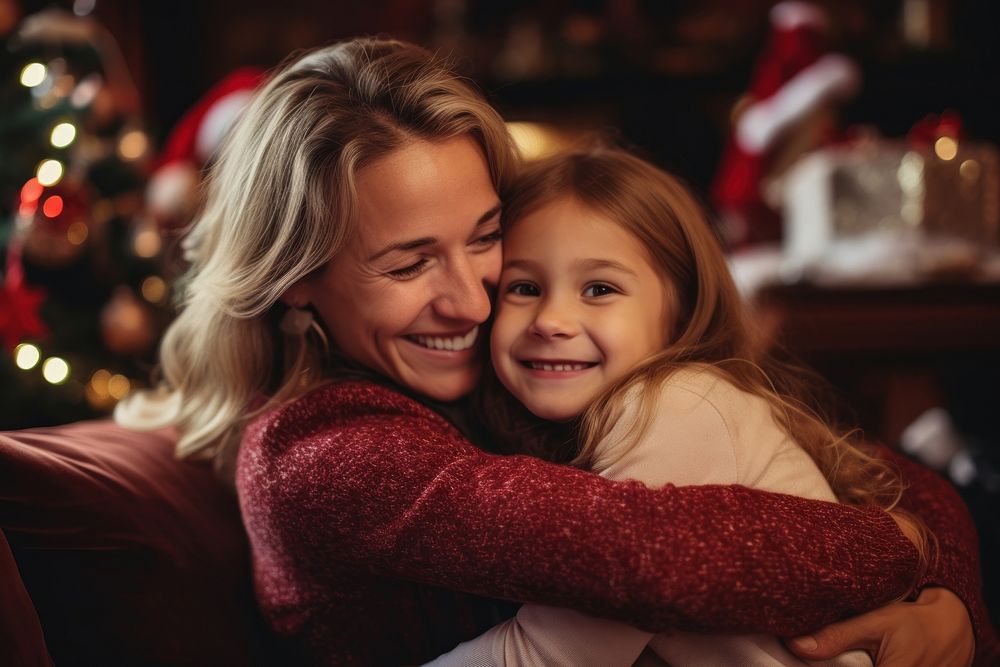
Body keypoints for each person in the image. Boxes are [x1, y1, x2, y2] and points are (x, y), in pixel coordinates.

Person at [116, 38, 989, 666]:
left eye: (486, 238)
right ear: (295, 278)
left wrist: (951, 599)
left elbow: (886, 468)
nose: (472, 296)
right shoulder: (326, 449)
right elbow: (647, 556)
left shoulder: (487, 385)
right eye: (410, 261)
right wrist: (901, 546)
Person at [426, 145, 930, 666]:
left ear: (680, 310)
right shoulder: (552, 427)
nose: (551, 320)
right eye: (525, 287)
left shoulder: (679, 404)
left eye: (599, 288)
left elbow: (550, 656)